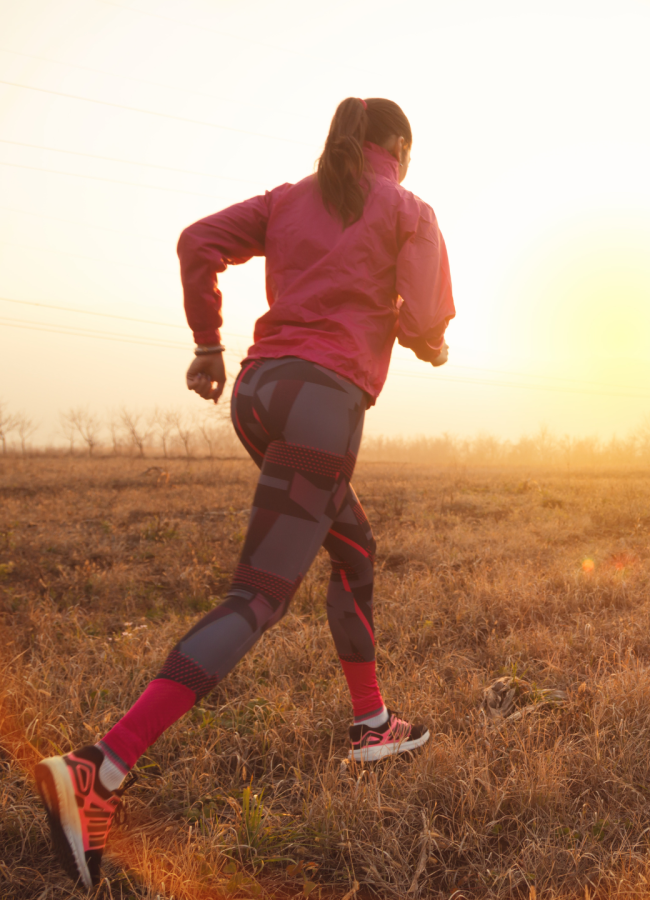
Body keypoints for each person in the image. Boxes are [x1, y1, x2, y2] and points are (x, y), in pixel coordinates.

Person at [34, 96, 455, 890]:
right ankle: (101, 767)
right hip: (324, 404)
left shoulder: (288, 199)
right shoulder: (406, 207)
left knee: (354, 549)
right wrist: (424, 337)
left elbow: (198, 242)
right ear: (396, 145)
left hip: (261, 393)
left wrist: (205, 344)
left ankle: (372, 725)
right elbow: (429, 313)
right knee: (256, 598)